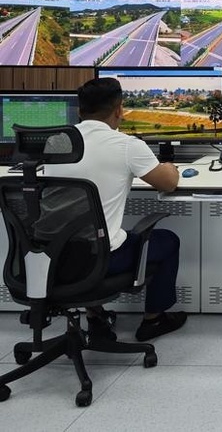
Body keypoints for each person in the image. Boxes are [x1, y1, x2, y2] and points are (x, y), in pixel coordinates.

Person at [44, 77, 187, 342]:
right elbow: (168, 183)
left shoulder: (57, 143)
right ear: (119, 109)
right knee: (167, 241)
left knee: (84, 233)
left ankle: (96, 317)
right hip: (100, 260)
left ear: (80, 110)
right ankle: (153, 320)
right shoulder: (126, 146)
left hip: (52, 257)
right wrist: (170, 167)